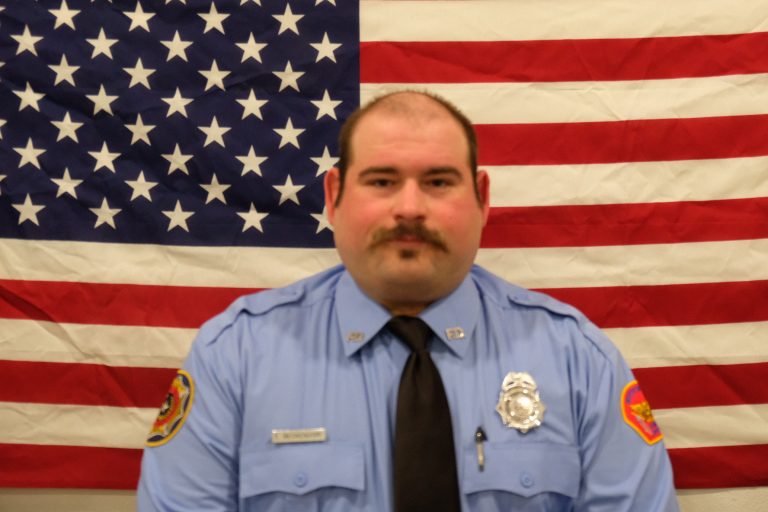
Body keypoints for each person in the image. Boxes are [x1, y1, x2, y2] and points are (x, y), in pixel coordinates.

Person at [137, 91, 679, 511]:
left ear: (483, 198)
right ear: (334, 197)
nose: (410, 207)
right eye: (382, 181)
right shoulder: (235, 357)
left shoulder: (577, 359)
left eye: (439, 181)